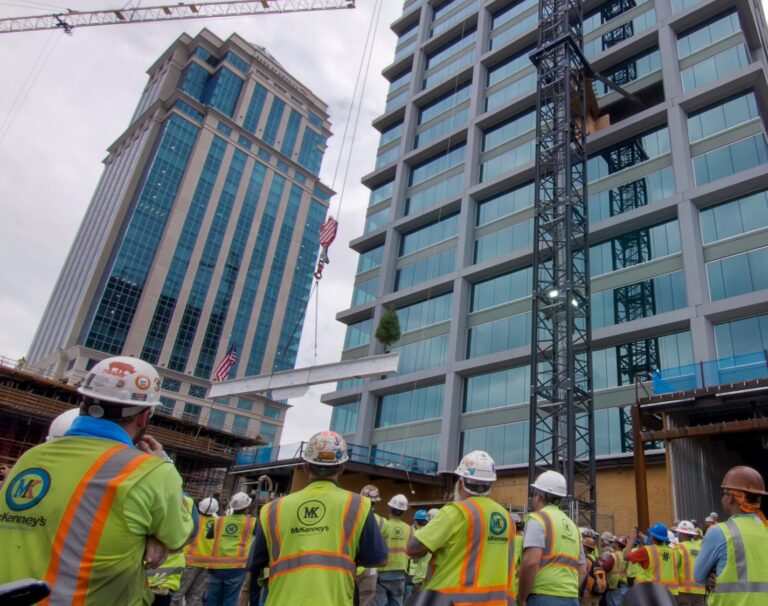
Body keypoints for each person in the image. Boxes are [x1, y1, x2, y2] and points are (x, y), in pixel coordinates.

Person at [0, 355, 193, 604]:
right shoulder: (150, 471)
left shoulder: (31, 457)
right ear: (144, 417)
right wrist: (165, 468)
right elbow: (179, 537)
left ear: (82, 402)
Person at [250, 430, 388, 605]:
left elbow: (256, 562)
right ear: (342, 468)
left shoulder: (272, 510)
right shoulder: (358, 505)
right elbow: (378, 559)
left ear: (306, 465)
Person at [406, 450, 515, 604]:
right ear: (490, 484)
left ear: (461, 483)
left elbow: (413, 549)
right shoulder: (506, 517)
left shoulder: (456, 512)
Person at [693, 465, 768, 604]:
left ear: (731, 498)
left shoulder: (720, 532)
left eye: (723, 493)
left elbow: (698, 576)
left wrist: (715, 577)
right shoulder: (765, 529)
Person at [518, 470, 587, 606]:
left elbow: (531, 563)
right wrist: (567, 593)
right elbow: (583, 569)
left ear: (538, 497)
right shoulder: (573, 526)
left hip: (543, 597)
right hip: (572, 598)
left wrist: (522, 598)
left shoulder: (538, 519)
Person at [205, 491, 256, 606]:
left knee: (212, 600)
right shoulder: (252, 522)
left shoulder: (219, 521)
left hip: (215, 567)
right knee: (229, 601)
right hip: (236, 568)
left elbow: (209, 535)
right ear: (247, 507)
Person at [172, 497, 220, 606]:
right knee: (195, 597)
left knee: (177, 594)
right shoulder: (218, 523)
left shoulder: (193, 519)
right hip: (207, 565)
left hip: (189, 562)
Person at [375, 493, 412, 606]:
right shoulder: (410, 529)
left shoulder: (382, 525)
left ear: (389, 508)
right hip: (400, 573)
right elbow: (411, 552)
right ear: (403, 511)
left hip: (381, 572)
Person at [624, 523, 678, 598]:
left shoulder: (646, 551)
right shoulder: (672, 552)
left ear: (652, 537)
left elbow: (626, 556)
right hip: (669, 595)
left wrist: (632, 539)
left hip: (651, 594)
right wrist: (643, 542)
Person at [357, 484, 389, 606]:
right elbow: (382, 551)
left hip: (351, 567)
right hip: (370, 570)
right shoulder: (383, 523)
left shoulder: (351, 517)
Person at [673, 520, 705, 606]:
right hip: (700, 590)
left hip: (684, 591)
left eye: (679, 533)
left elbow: (672, 567)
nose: (678, 535)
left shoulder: (679, 548)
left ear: (683, 534)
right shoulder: (700, 547)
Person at [406, 510, 430, 596]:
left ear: (415, 521)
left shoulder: (415, 535)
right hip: (428, 574)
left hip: (414, 575)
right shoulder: (432, 535)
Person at [580, 536, 603, 606]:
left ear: (586, 548)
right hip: (596, 592)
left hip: (587, 593)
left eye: (582, 546)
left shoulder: (585, 560)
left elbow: (582, 574)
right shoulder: (597, 560)